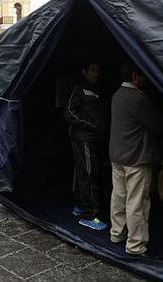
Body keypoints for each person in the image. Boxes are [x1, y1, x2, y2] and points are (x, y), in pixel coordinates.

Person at [109, 63, 163, 256]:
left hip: (117, 155)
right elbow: (157, 126)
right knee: (137, 202)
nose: (144, 79)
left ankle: (116, 233)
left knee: (118, 196)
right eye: (142, 76)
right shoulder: (139, 99)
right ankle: (135, 245)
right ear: (135, 76)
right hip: (136, 158)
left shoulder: (117, 95)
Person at [64, 62, 109, 230]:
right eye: (92, 70)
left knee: (84, 172)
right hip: (84, 139)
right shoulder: (79, 89)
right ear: (84, 71)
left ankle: (80, 205)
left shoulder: (99, 88)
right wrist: (91, 125)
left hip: (93, 138)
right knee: (90, 174)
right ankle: (92, 215)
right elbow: (68, 112)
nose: (96, 73)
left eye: (98, 70)